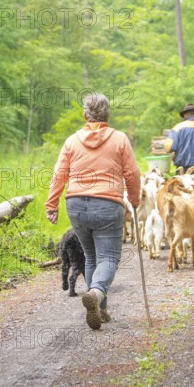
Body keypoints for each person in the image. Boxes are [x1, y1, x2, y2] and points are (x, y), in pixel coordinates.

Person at [45, 93, 140, 330]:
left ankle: (101, 308)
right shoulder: (119, 139)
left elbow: (59, 175)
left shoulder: (71, 141)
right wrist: (135, 200)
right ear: (107, 114)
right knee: (108, 258)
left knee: (91, 257)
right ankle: (96, 294)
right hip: (108, 205)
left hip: (76, 205)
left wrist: (52, 205)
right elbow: (132, 173)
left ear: (85, 115)